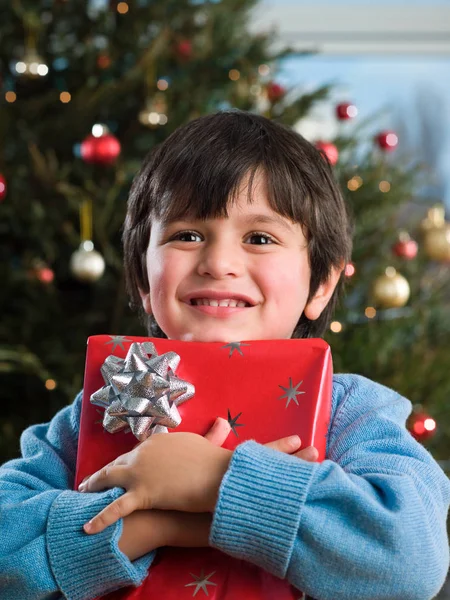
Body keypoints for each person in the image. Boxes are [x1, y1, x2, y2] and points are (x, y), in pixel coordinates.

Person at [1, 111, 449, 600]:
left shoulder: (352, 412)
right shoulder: (96, 407)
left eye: (260, 238)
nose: (218, 263)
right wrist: (152, 524)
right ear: (144, 282)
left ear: (321, 283)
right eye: (186, 235)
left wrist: (215, 481)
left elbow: (409, 562)